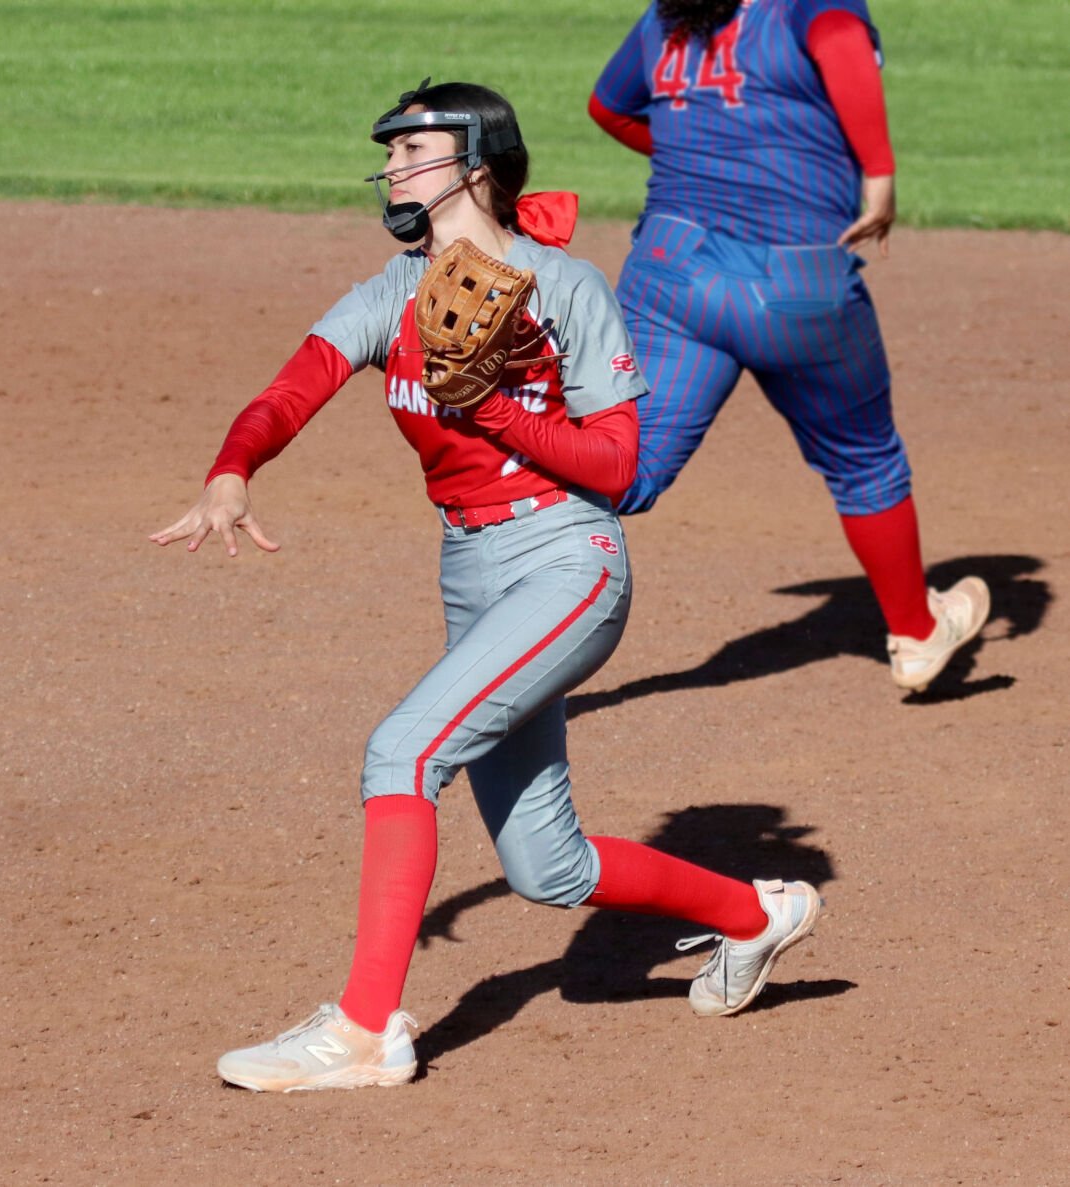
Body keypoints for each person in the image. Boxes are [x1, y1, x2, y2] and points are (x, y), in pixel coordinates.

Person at [150, 80, 822, 1093]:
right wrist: (232, 469)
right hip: (470, 569)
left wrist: (496, 409)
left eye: (411, 151)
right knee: (546, 868)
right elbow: (292, 387)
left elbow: (617, 466)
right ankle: (757, 914)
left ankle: (367, 1029)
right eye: (388, 154)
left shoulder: (565, 290)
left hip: (567, 565)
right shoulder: (392, 290)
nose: (390, 168)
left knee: (403, 750)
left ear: (474, 166)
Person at [589, 0, 988, 693]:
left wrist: (709, 156)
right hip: (795, 287)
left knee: (627, 463)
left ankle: (506, 566)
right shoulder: (808, 4)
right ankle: (918, 634)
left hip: (671, 274)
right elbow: (838, 36)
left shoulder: (669, 14)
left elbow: (607, 106)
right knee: (865, 462)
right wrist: (880, 172)